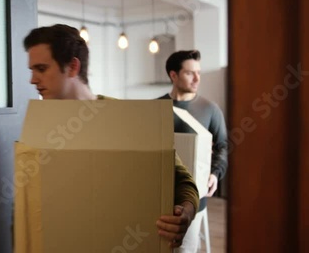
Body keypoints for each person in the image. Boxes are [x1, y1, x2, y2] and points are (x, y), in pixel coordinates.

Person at [23, 24, 199, 248]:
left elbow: (183, 182)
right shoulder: (40, 127)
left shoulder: (127, 119)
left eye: (41, 68)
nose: (32, 79)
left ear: (72, 67)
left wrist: (186, 212)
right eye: (32, 70)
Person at [158, 50, 228, 252]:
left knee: (183, 250)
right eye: (190, 73)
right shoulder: (156, 107)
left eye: (199, 72)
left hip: (192, 199)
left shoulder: (210, 109)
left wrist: (215, 173)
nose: (197, 78)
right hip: (159, 194)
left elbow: (223, 145)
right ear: (173, 75)